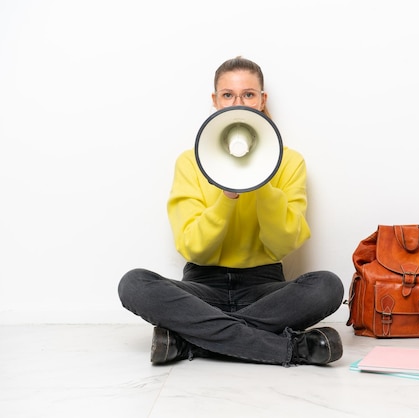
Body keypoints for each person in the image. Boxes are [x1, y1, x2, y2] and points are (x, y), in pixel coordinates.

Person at [118, 56, 344, 367]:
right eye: (228, 95)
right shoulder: (190, 162)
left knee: (327, 286)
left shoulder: (289, 162)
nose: (238, 102)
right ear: (215, 101)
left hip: (263, 289)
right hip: (202, 287)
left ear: (262, 100)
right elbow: (193, 247)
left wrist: (262, 181)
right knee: (134, 284)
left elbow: (284, 243)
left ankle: (188, 341)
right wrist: (226, 197)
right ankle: (292, 349)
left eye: (248, 94)